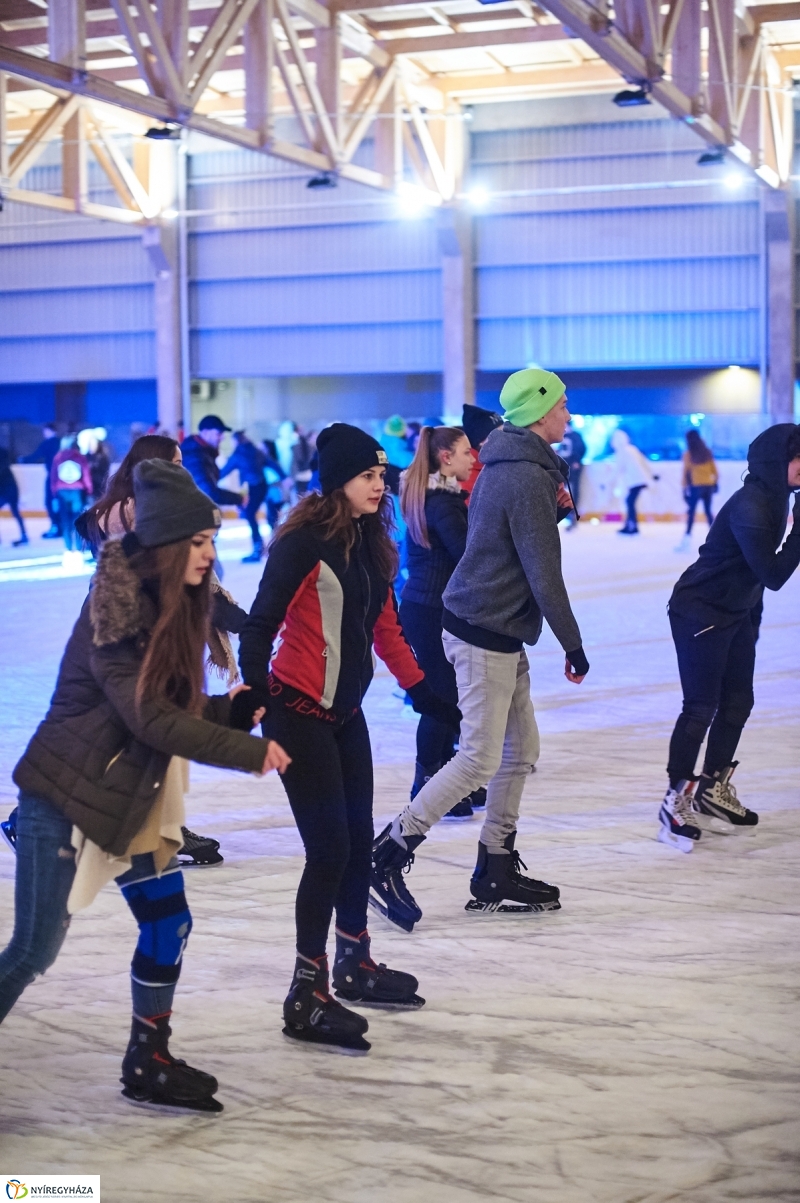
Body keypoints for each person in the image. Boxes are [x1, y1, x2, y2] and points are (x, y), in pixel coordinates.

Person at [0, 460, 289, 1113]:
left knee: (169, 923)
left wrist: (232, 710)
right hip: (66, 799)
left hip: (128, 796)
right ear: (163, 545)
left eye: (212, 540)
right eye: (198, 542)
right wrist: (250, 749)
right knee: (32, 950)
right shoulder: (117, 613)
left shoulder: (174, 604)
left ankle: (148, 1057)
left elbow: (171, 710)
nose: (211, 554)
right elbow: (151, 719)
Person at [238, 424, 459, 1053]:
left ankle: (354, 962)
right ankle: (306, 991)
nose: (379, 484)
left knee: (358, 841)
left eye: (382, 475)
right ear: (338, 481)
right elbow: (259, 628)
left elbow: (385, 627)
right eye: (367, 476)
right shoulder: (302, 543)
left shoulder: (370, 543)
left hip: (345, 715)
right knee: (329, 849)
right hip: (295, 712)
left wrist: (424, 695)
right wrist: (254, 694)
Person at [371, 368, 588, 933]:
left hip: (497, 627)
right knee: (479, 757)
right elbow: (543, 570)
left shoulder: (521, 465)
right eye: (563, 404)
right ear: (539, 410)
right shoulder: (521, 474)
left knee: (519, 752)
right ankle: (387, 853)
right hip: (480, 630)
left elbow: (512, 543)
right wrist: (573, 641)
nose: (569, 413)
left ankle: (494, 865)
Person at [658, 424, 800, 853]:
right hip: (700, 610)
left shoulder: (777, 497)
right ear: (779, 464)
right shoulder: (752, 505)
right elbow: (773, 574)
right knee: (700, 707)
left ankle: (711, 789)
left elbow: (756, 578)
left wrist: (750, 616)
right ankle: (675, 799)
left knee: (739, 701)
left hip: (737, 611)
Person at [400, 425, 479, 819]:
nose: (473, 458)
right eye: (466, 452)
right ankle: (428, 783)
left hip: (428, 608)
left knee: (450, 696)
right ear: (446, 457)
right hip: (429, 611)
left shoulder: (438, 497)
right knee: (443, 698)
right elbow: (471, 554)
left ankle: (445, 779)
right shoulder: (442, 503)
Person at [218, 431, 269, 563]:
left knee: (250, 514)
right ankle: (260, 546)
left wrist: (210, 479)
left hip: (253, 487)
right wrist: (284, 477)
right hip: (261, 486)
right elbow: (271, 462)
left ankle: (259, 548)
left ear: (236, 441)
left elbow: (225, 470)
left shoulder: (238, 454)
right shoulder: (255, 450)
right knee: (250, 514)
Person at [181, 416, 243, 509]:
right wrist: (240, 499)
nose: (222, 438)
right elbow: (207, 492)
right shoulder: (194, 456)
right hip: (191, 514)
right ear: (205, 432)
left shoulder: (204, 453)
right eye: (218, 433)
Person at [50, 435, 93, 566]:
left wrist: (54, 492)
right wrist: (89, 489)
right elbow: (85, 474)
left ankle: (68, 549)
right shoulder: (80, 457)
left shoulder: (58, 458)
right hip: (77, 491)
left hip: (61, 491)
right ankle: (79, 550)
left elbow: (53, 476)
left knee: (65, 522)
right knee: (77, 521)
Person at [675, 429, 719, 552]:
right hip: (708, 486)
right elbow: (714, 470)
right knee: (708, 512)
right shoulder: (707, 452)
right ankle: (716, 540)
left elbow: (685, 472)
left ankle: (686, 540)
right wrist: (715, 483)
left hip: (696, 487)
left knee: (691, 513)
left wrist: (684, 489)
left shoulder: (688, 454)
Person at [610, 429, 656, 535]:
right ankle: (630, 525)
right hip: (639, 480)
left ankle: (632, 526)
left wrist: (607, 481)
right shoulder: (632, 449)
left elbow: (618, 468)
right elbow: (644, 461)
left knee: (629, 502)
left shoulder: (622, 451)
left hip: (635, 481)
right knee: (629, 502)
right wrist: (652, 474)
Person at [21, 424, 61, 537]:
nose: (44, 434)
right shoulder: (61, 442)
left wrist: (22, 460)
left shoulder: (47, 444)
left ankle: (55, 526)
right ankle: (61, 527)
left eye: (45, 431)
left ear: (49, 431)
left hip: (52, 478)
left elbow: (36, 455)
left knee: (49, 501)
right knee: (59, 502)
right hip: (63, 479)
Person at [460, 403, 502, 500]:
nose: (505, 438)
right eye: (498, 434)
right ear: (481, 441)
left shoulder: (493, 465)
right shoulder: (468, 477)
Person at [559, 420, 586, 529]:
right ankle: (566, 514)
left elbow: (582, 448)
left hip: (572, 468)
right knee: (562, 489)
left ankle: (573, 515)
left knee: (573, 490)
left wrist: (577, 460)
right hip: (562, 467)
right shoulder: (560, 434)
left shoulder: (575, 436)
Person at [0, 447, 29, 547]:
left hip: (8, 488)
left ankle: (24, 535)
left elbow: (3, 468)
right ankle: (24, 535)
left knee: (15, 511)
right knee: (16, 511)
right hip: (8, 487)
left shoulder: (2, 453)